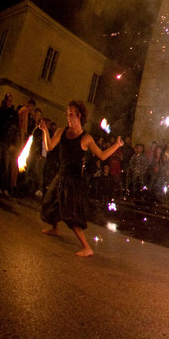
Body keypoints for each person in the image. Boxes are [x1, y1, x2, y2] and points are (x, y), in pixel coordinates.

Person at [39, 100, 124, 257]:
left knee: (71, 214)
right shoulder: (61, 132)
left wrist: (117, 145)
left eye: (71, 115)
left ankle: (87, 247)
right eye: (67, 114)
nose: (68, 118)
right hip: (61, 176)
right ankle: (55, 228)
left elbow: (102, 155)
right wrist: (45, 131)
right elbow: (50, 147)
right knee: (50, 202)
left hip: (73, 181)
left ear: (79, 116)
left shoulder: (86, 138)